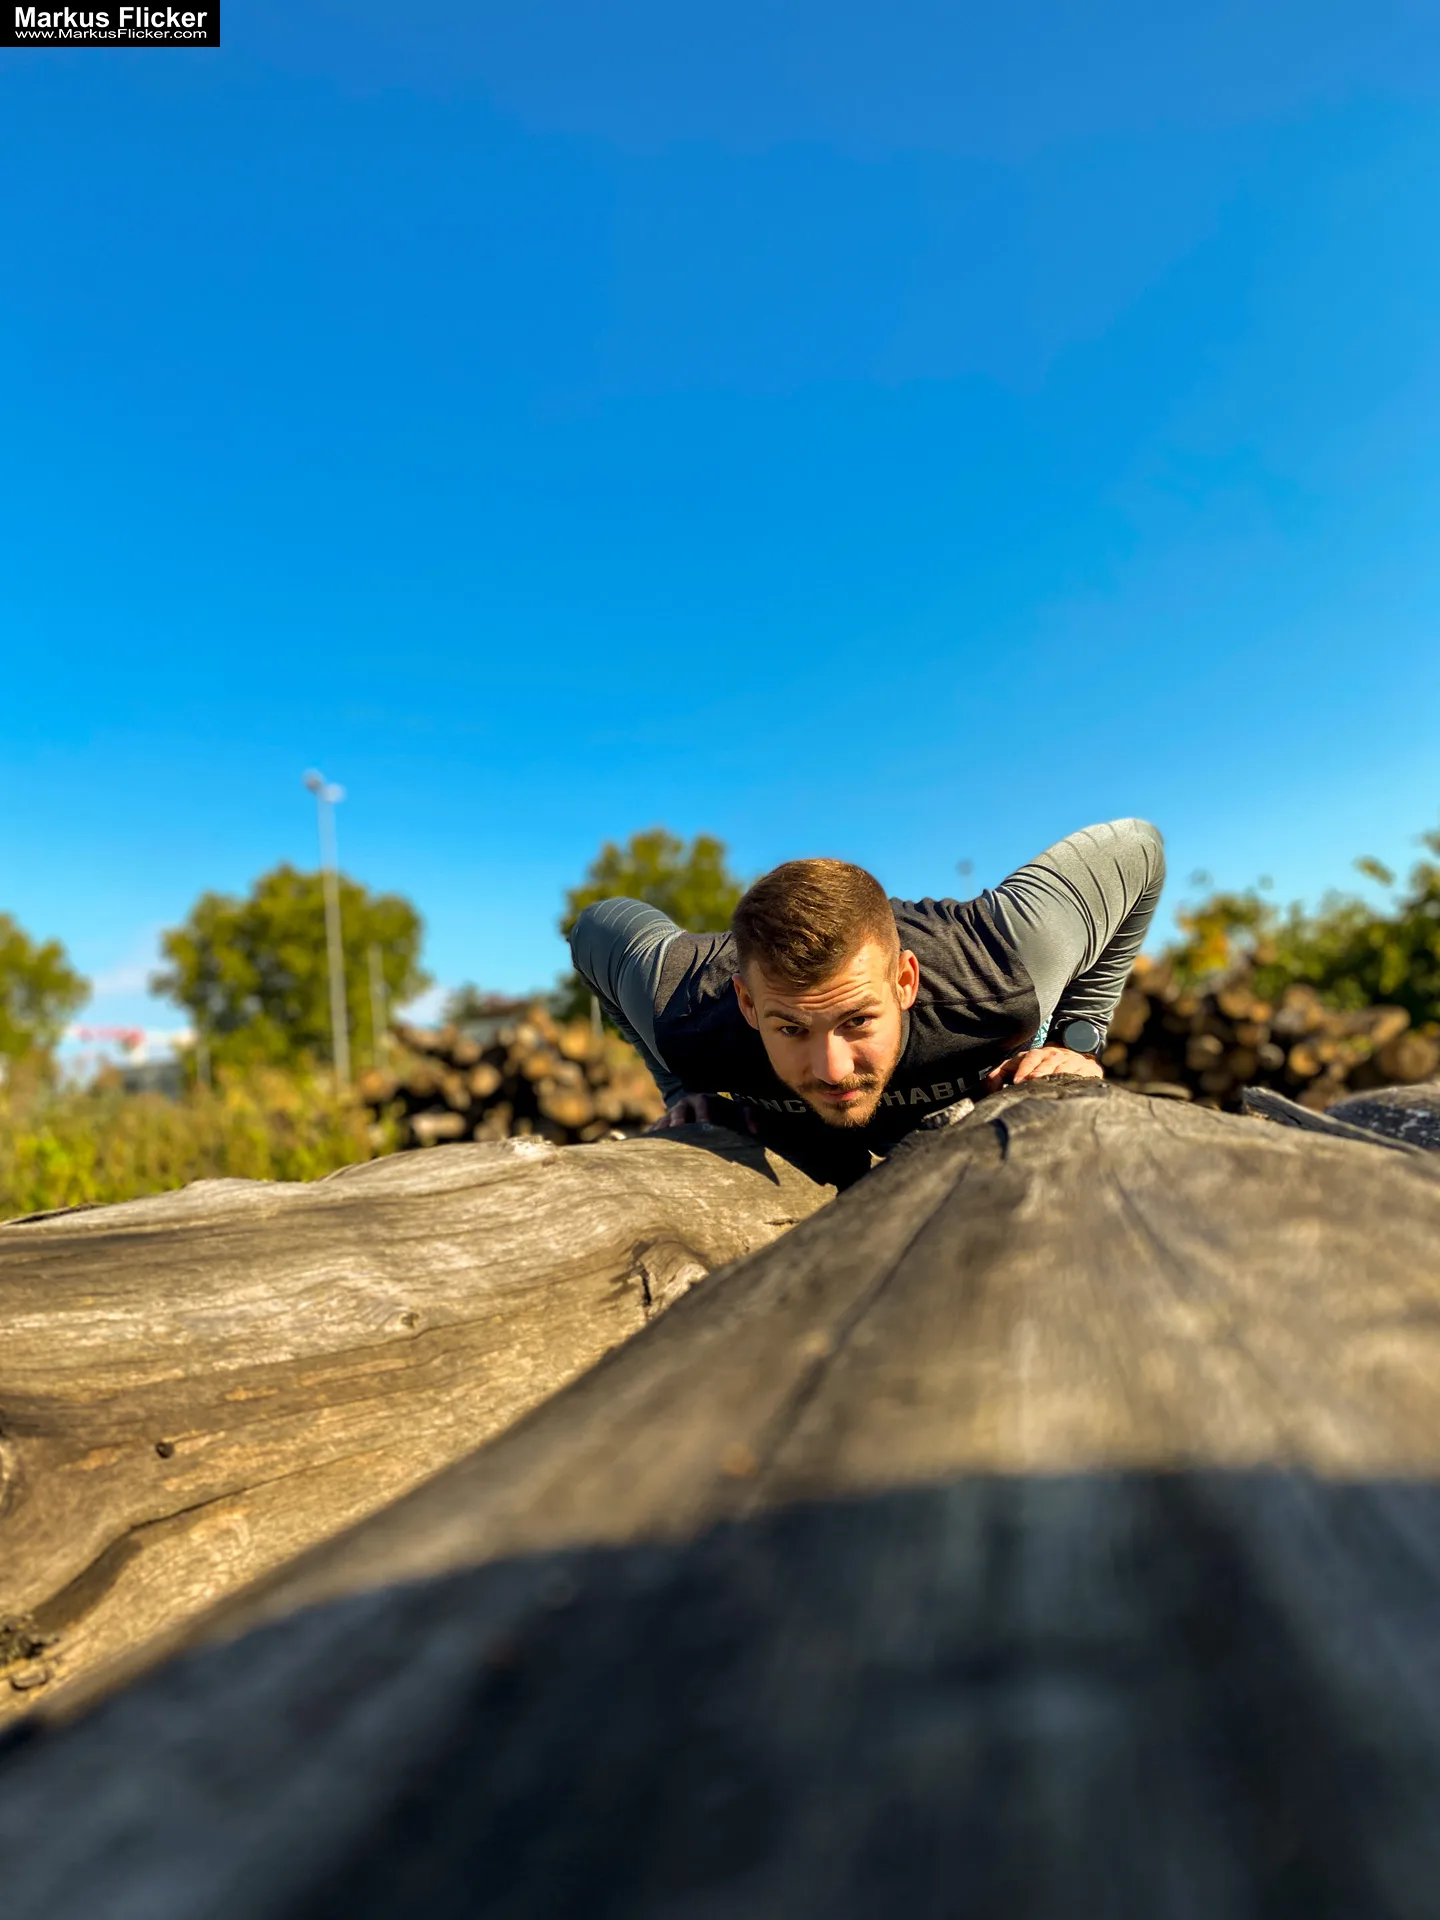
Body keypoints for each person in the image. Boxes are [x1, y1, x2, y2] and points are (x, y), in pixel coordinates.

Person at [570, 818, 1165, 1188]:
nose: (832, 1069)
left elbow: (1140, 849)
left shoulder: (1001, 966)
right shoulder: (682, 1010)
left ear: (905, 982)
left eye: (857, 1020)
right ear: (747, 1006)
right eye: (791, 1028)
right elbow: (593, 929)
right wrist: (682, 1090)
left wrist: (1077, 1035)